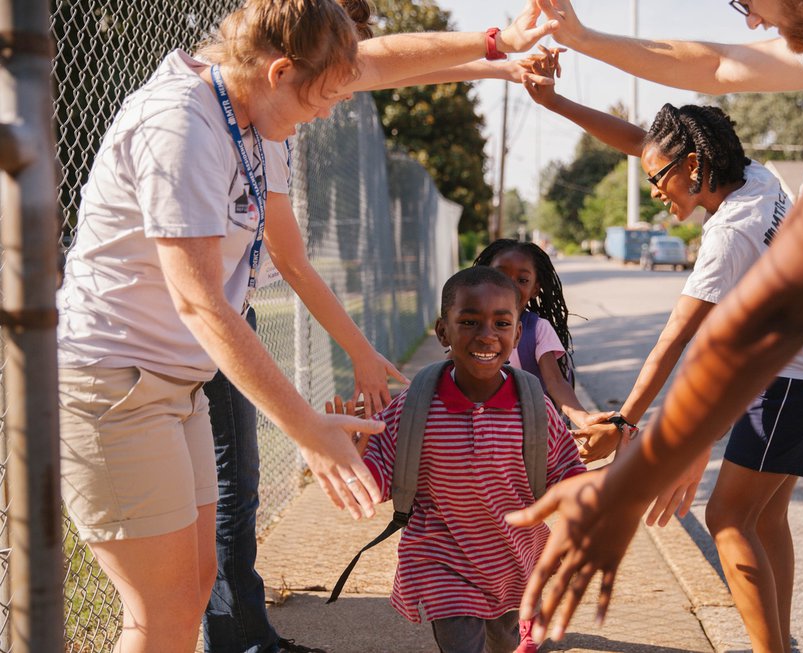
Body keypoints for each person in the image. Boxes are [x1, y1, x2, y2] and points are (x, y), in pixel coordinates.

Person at [56, 0, 559, 649]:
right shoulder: (182, 123)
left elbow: (375, 65)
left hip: (172, 386)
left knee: (195, 588)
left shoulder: (242, 110)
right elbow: (200, 302)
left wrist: (498, 47)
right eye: (320, 97)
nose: (326, 112)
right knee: (162, 610)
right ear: (281, 71)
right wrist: (310, 430)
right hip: (114, 385)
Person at [509, 0, 803, 651]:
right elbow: (704, 68)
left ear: (696, 169)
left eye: (744, 1)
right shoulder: (760, 165)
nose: (748, 17)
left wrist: (632, 457)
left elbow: (746, 321)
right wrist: (577, 54)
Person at [523, 60, 803, 652]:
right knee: (764, 518)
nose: (656, 191)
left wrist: (625, 420)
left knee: (728, 521)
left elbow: (674, 339)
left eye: (660, 179)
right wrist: (555, 104)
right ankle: (782, 642)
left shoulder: (729, 233)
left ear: (694, 165)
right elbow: (641, 141)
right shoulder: (756, 178)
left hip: (786, 381)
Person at [340, 266, 585, 653]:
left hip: (513, 561)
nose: (486, 335)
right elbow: (379, 479)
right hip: (441, 560)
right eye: (469, 322)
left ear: (517, 333)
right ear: (443, 331)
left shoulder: (533, 406)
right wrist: (352, 459)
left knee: (504, 642)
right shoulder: (414, 404)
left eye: (501, 323)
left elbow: (568, 473)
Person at [472, 239, 592, 430]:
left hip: (531, 436)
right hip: (482, 433)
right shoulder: (468, 328)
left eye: (522, 280)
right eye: (499, 274)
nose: (509, 285)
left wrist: (584, 419)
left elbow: (555, 382)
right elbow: (449, 372)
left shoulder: (538, 329)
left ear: (535, 289)